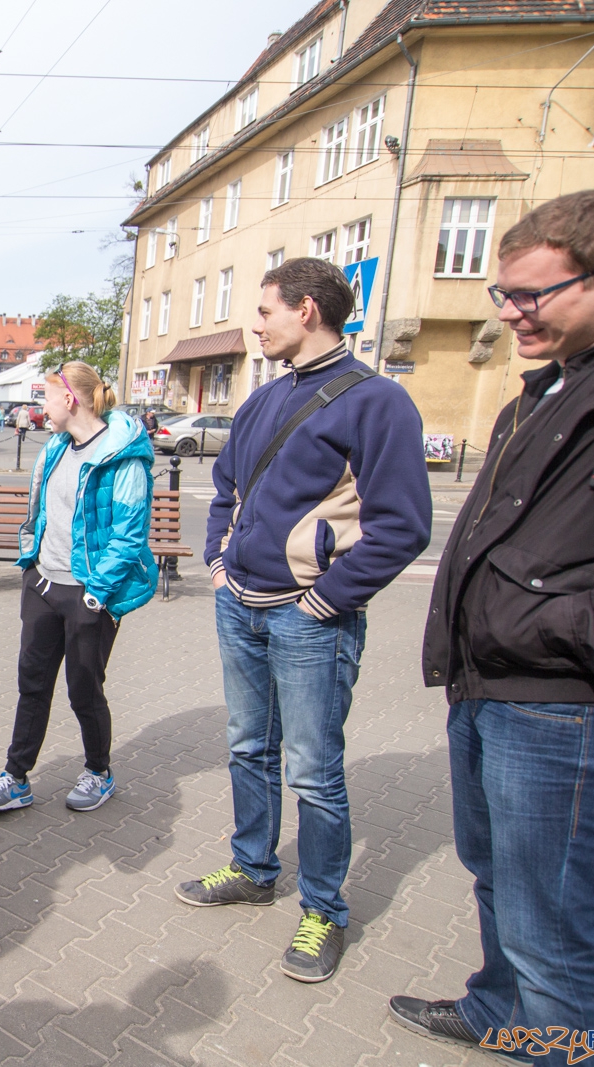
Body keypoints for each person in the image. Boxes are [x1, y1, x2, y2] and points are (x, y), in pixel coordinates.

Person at [392, 191, 594, 1064]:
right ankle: (500, 1012)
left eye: (528, 294)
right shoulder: (553, 384)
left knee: (553, 928)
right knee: (502, 885)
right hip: (497, 688)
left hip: (571, 707)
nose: (509, 312)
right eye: (501, 293)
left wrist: (562, 627)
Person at [175, 257, 431, 984]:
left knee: (315, 773)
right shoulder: (261, 399)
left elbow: (403, 524)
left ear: (308, 310)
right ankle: (254, 867)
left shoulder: (377, 401)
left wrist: (326, 597)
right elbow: (224, 489)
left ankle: (323, 908)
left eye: (264, 311)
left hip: (309, 619)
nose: (255, 324)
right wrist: (219, 563)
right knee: (248, 747)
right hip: (241, 606)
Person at [0, 362, 157, 815]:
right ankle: (15, 778)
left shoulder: (123, 456)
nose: (42, 406)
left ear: (70, 399)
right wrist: (31, 563)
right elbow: (42, 511)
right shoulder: (56, 447)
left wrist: (96, 594)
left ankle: (99, 771)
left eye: (46, 397)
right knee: (31, 684)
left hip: (88, 593)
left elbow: (128, 534)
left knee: (83, 688)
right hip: (42, 583)